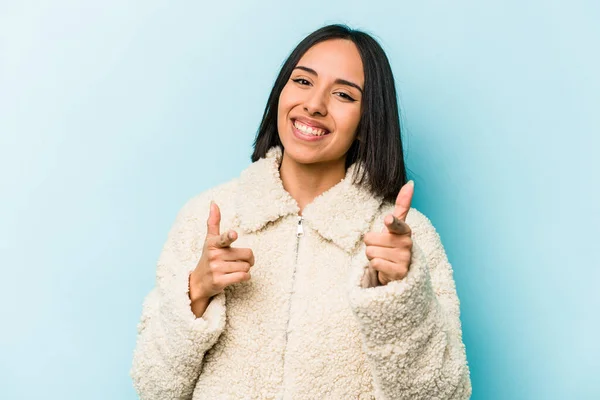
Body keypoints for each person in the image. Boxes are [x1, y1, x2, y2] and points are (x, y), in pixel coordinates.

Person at [130, 24, 472, 399]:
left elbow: (444, 394)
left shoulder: (407, 240)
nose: (314, 104)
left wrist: (397, 295)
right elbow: (154, 387)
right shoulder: (208, 216)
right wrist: (197, 291)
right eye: (303, 82)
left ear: (366, 123)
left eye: (343, 94)